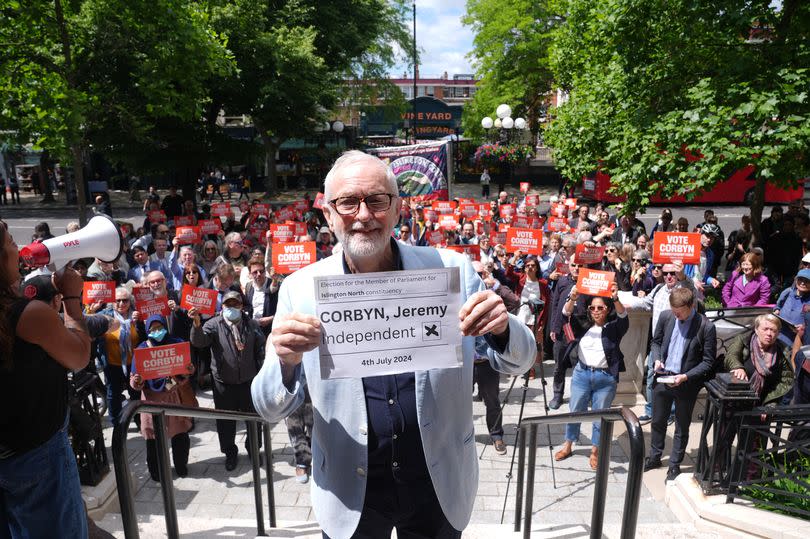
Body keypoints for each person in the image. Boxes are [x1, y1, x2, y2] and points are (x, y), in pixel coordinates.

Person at [250, 151, 535, 539]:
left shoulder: (450, 269)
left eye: (377, 200)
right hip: (351, 490)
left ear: (397, 209)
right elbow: (268, 407)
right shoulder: (300, 290)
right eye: (348, 202)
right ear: (329, 215)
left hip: (438, 482)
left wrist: (503, 330)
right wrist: (284, 362)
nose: (363, 215)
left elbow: (520, 362)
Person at [0, 221, 92, 538]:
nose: (17, 247)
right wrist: (71, 299)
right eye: (11, 242)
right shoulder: (29, 316)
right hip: (36, 455)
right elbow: (79, 356)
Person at [644, 287, 716, 482]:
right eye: (673, 311)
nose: (676, 315)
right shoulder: (667, 317)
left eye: (680, 312)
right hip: (663, 379)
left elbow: (708, 362)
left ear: (691, 306)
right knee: (658, 421)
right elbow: (656, 342)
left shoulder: (706, 327)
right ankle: (655, 456)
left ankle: (675, 465)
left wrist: (686, 376)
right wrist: (657, 360)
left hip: (685, 384)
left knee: (681, 426)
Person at [554, 284, 628, 469]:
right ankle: (568, 444)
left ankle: (595, 450)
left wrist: (616, 297)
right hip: (582, 374)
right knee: (575, 411)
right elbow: (564, 315)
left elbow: (624, 318)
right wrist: (572, 298)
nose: (596, 311)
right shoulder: (582, 324)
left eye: (600, 308)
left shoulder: (613, 328)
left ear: (607, 309)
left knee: (600, 416)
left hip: (605, 378)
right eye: (592, 308)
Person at [190, 291, 265, 471]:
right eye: (227, 305)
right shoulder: (214, 324)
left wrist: (262, 374)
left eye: (235, 304)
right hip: (223, 383)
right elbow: (199, 342)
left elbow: (260, 349)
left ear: (241, 306)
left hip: (248, 382)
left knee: (254, 420)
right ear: (222, 306)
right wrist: (196, 324)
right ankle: (230, 453)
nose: (231, 308)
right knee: (225, 422)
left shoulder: (251, 324)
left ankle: (254, 450)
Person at [130, 314, 196, 480]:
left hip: (175, 397)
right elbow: (134, 379)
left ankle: (181, 466)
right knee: (153, 439)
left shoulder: (176, 343)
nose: (157, 331)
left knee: (180, 435)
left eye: (160, 328)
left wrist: (189, 370)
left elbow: (188, 371)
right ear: (147, 330)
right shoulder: (143, 349)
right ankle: (156, 472)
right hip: (152, 400)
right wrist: (136, 381)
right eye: (153, 329)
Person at [725, 314, 794, 407]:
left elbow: (785, 380)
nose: (769, 334)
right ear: (756, 330)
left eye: (773, 330)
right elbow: (731, 355)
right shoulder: (744, 340)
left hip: (763, 403)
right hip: (736, 398)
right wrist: (737, 367)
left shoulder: (782, 350)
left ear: (778, 334)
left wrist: (770, 402)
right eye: (765, 329)